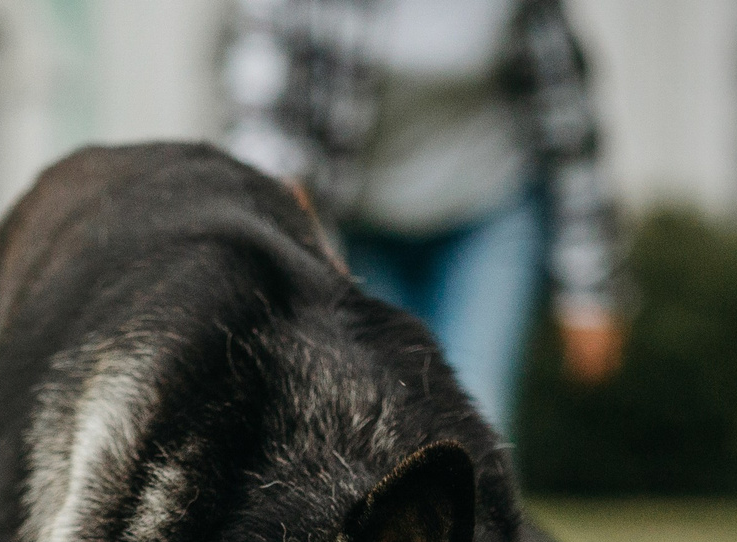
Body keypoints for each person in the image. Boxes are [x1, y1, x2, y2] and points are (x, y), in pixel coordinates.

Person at [224, 0, 626, 438]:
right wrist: (298, 230)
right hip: (357, 229)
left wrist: (590, 290)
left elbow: (566, 124)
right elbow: (257, 117)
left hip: (488, 218)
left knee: (474, 427)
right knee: (375, 425)